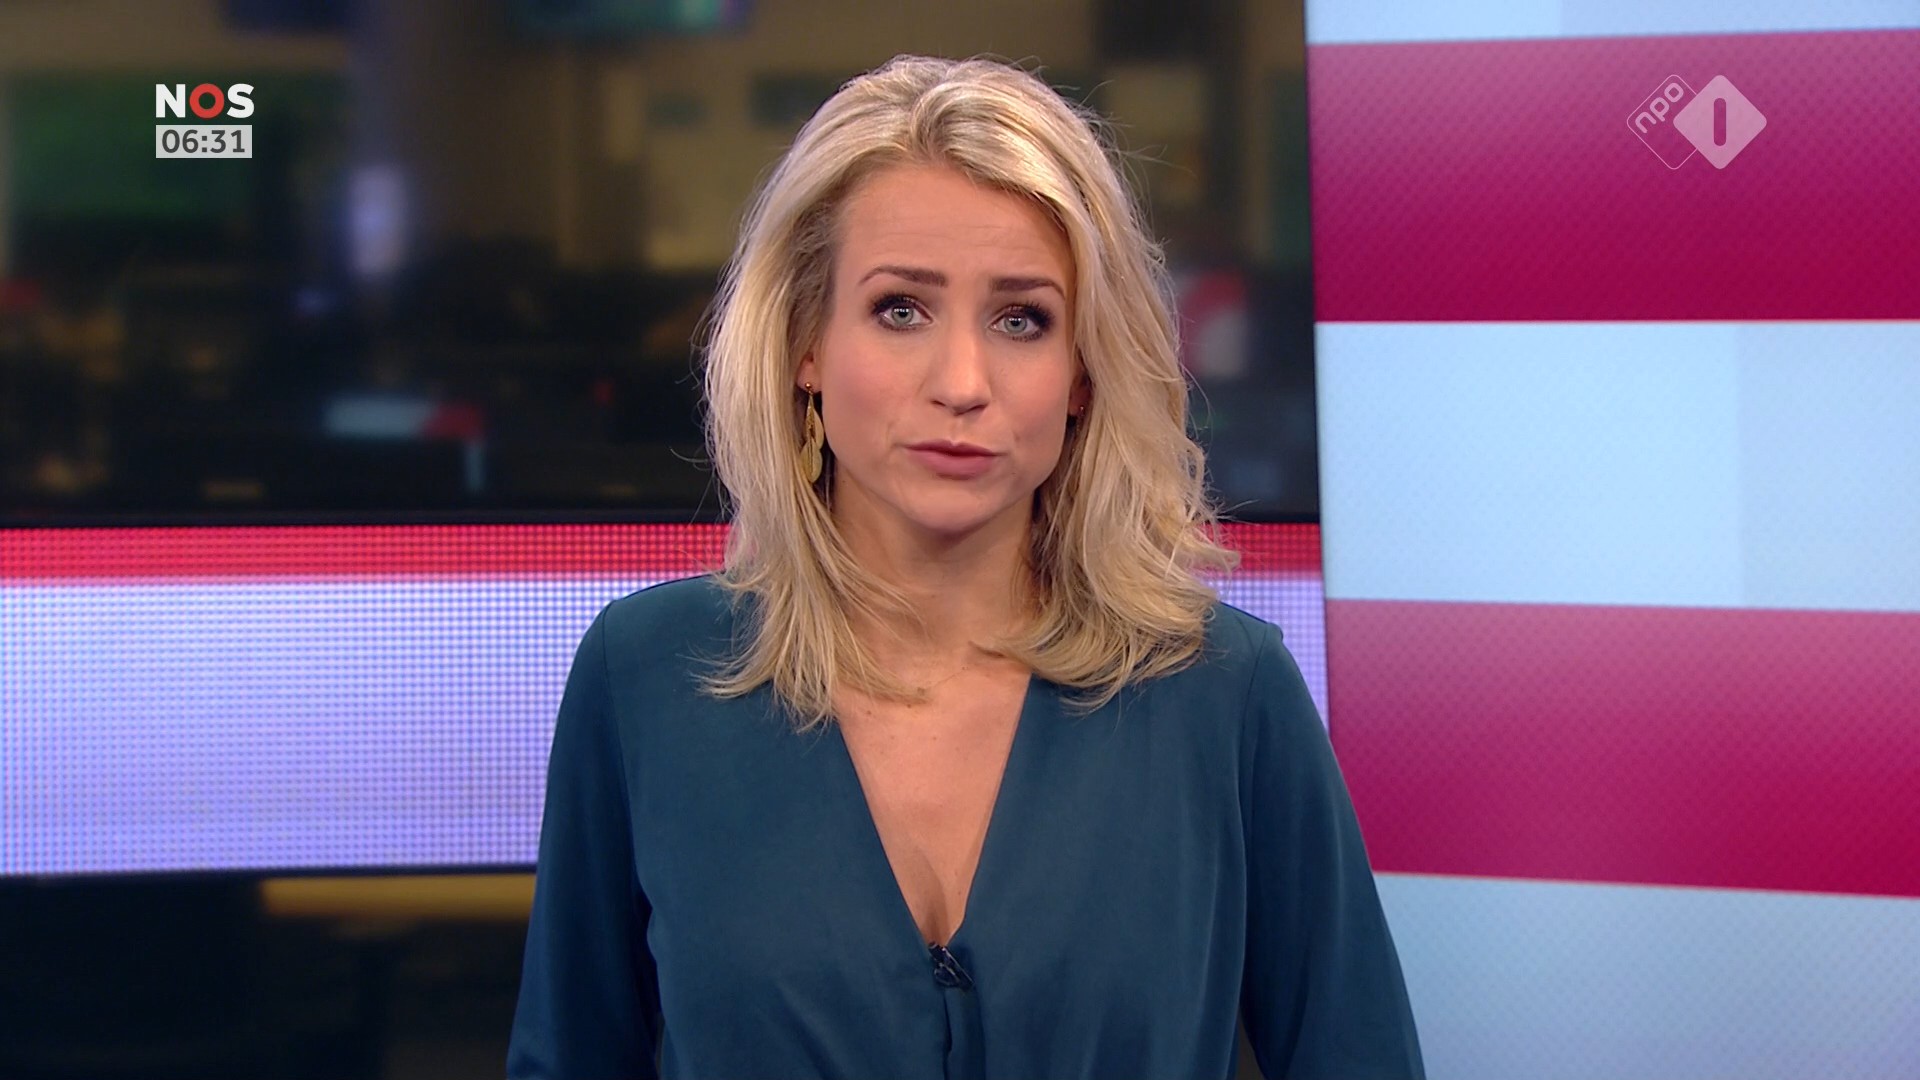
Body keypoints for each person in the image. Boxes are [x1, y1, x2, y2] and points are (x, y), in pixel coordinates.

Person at [507, 54, 1424, 1080]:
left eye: (1021, 319)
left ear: (1082, 372)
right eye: (901, 309)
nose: (962, 382)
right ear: (807, 343)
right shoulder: (645, 675)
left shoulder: (1226, 691)